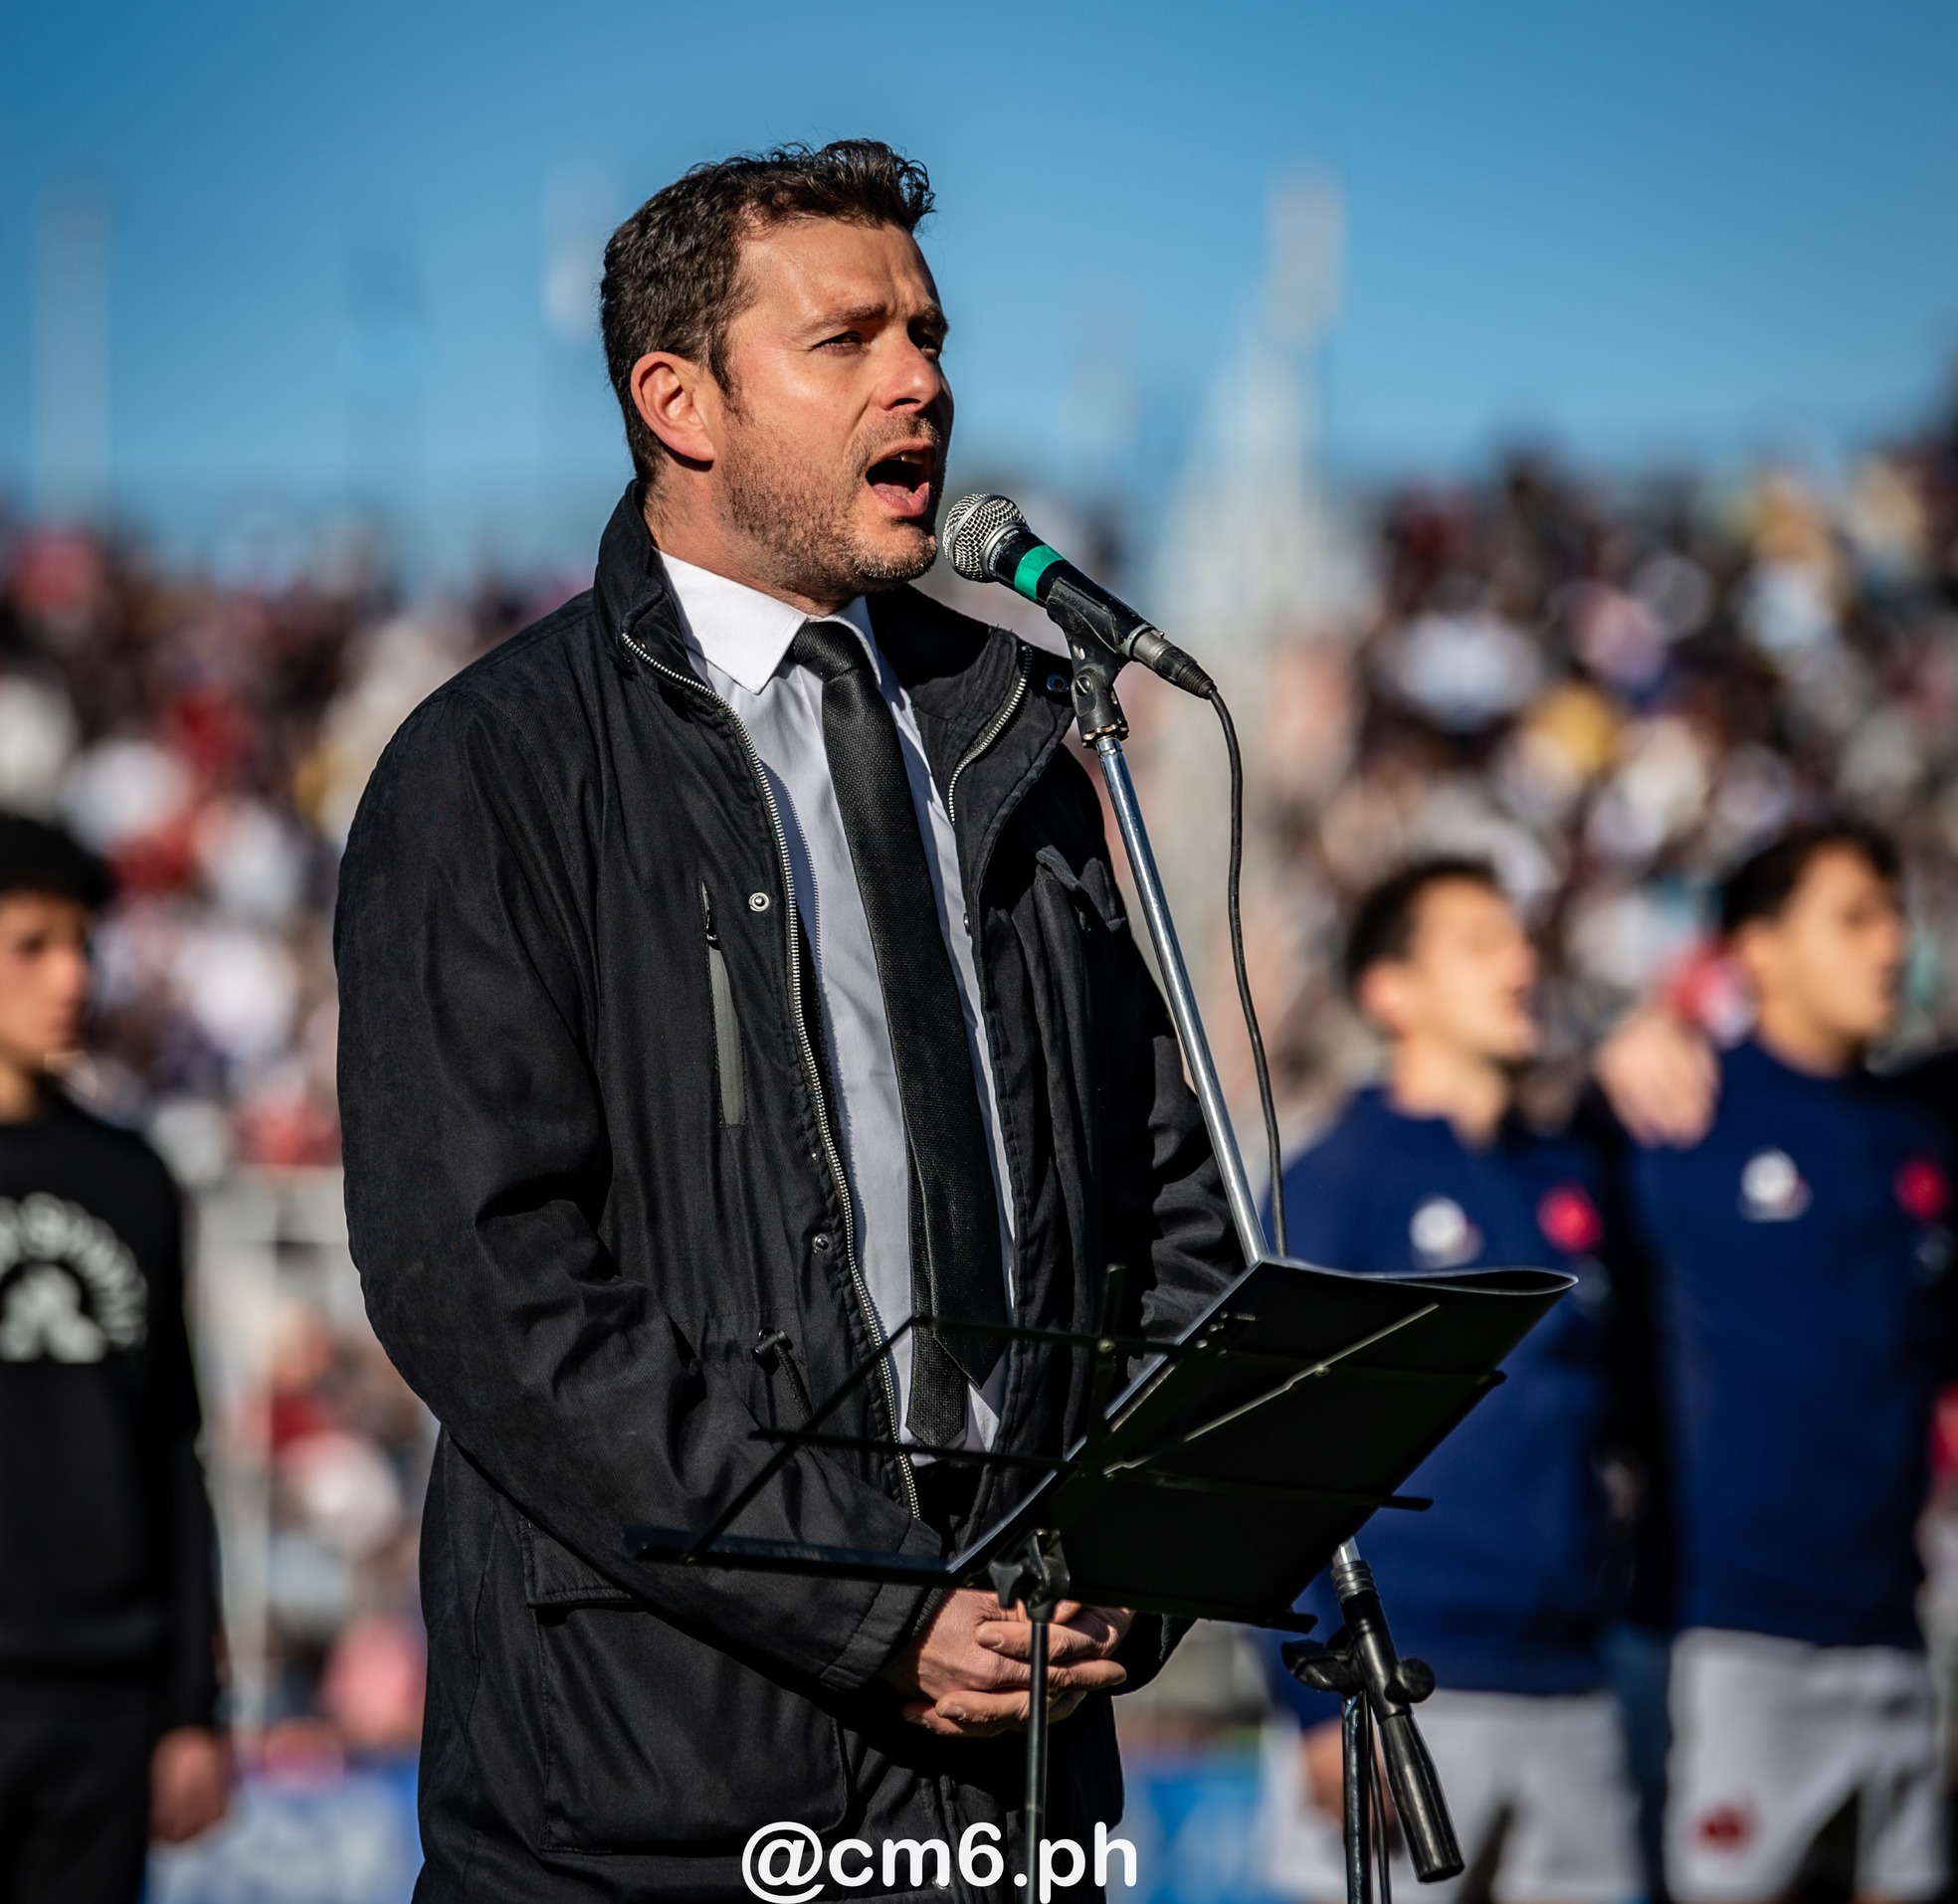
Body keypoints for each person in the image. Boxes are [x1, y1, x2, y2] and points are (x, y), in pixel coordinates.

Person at [333, 139, 1237, 1900]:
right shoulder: (492, 770)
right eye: (847, 340)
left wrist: (1132, 1550)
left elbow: (1169, 1203)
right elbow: (485, 1282)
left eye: (927, 330)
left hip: (1015, 1765)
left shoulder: (1019, 740)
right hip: (651, 1786)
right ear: (678, 399)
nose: (922, 379)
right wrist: (869, 1605)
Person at [1258, 857, 1647, 1904]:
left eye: (1517, 938)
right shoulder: (1334, 1178)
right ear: (1391, 990)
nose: (1519, 961)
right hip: (1399, 1691)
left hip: (1574, 1686)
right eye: (1477, 942)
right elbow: (1258, 1450)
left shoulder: (1573, 1172)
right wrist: (1308, 1707)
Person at [1599, 820, 1953, 1904]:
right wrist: (1635, 1032)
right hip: (1725, 1637)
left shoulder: (1923, 1124)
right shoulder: (1673, 1115)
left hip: (1892, 1632)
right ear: (1753, 946)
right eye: (1851, 916)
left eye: (1893, 912)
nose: (1889, 942)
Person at [0, 813, 228, 1903]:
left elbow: (174, 1450)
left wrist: (191, 1705)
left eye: (82, 944)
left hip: (103, 1695)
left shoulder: (132, 1174)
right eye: (29, 943)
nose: (70, 976)